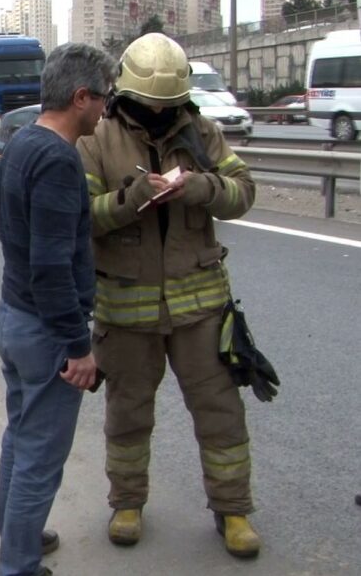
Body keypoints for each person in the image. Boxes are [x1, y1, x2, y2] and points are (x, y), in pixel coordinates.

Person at [75, 32, 260, 558]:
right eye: (150, 104)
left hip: (200, 305)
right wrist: (133, 198)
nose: (159, 113)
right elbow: (85, 215)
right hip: (127, 308)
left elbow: (242, 191)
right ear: (126, 94)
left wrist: (202, 188)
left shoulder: (202, 130)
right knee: (128, 413)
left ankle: (234, 511)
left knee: (220, 412)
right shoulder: (97, 138)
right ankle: (127, 503)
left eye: (168, 105)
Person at [0, 42, 114, 576]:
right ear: (81, 97)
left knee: (21, 434)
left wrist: (18, 240)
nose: (106, 110)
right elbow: (52, 268)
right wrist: (78, 348)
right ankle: (19, 565)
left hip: (13, 318)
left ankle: (18, 533)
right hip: (45, 332)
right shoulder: (58, 160)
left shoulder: (24, 140)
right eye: (103, 98)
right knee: (39, 455)